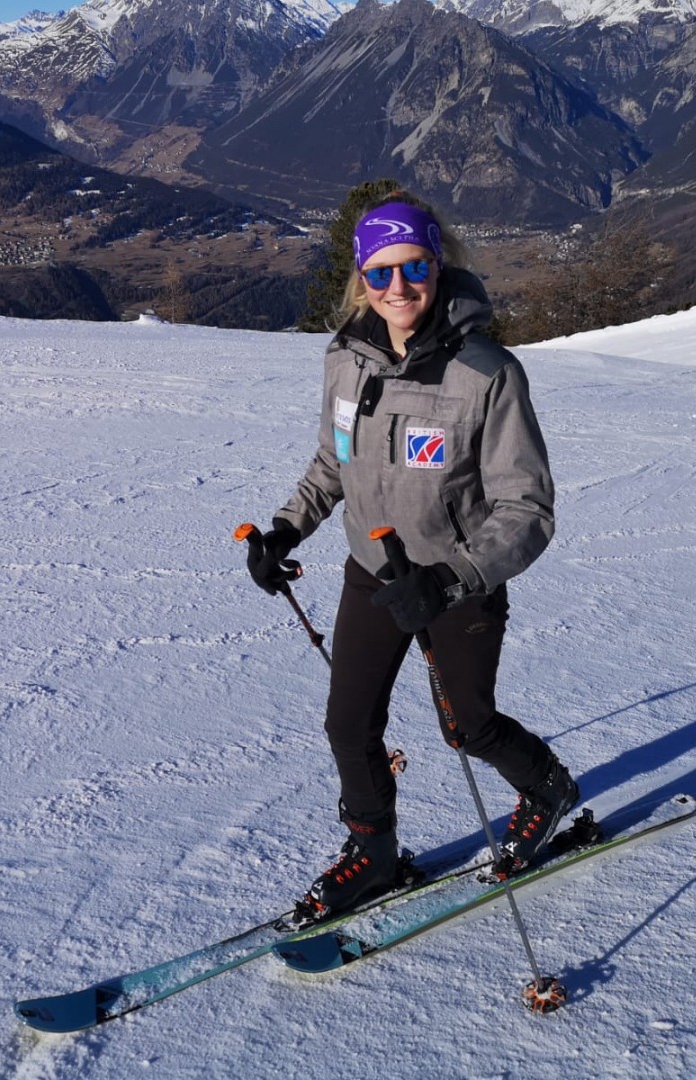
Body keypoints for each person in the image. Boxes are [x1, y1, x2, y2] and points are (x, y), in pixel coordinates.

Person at [245, 192, 579, 920]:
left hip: (456, 587)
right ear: (361, 277)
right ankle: (374, 856)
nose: (398, 287)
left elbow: (528, 509)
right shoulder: (345, 358)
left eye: (415, 266)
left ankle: (548, 789)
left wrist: (453, 577)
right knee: (348, 724)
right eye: (380, 271)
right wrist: (283, 531)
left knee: (469, 726)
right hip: (372, 577)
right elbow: (334, 464)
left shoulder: (488, 374)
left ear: (439, 263)